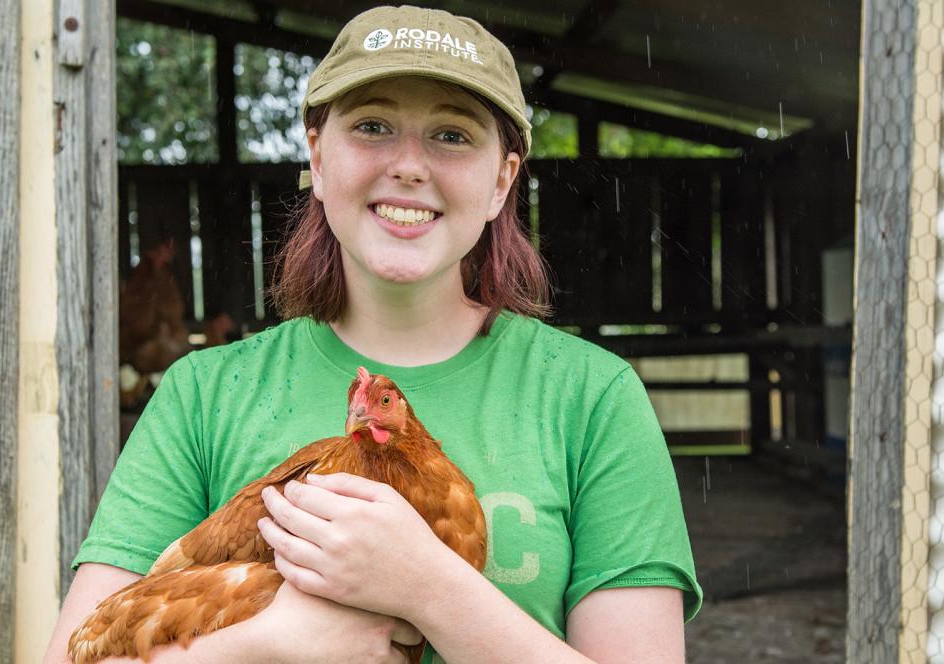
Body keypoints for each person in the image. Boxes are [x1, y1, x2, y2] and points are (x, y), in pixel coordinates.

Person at [44, 5, 702, 663]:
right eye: (373, 126)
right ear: (319, 157)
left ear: (502, 180)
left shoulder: (591, 396)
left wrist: (429, 588)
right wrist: (264, 647)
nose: (409, 166)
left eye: (451, 134)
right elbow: (74, 655)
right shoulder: (206, 393)